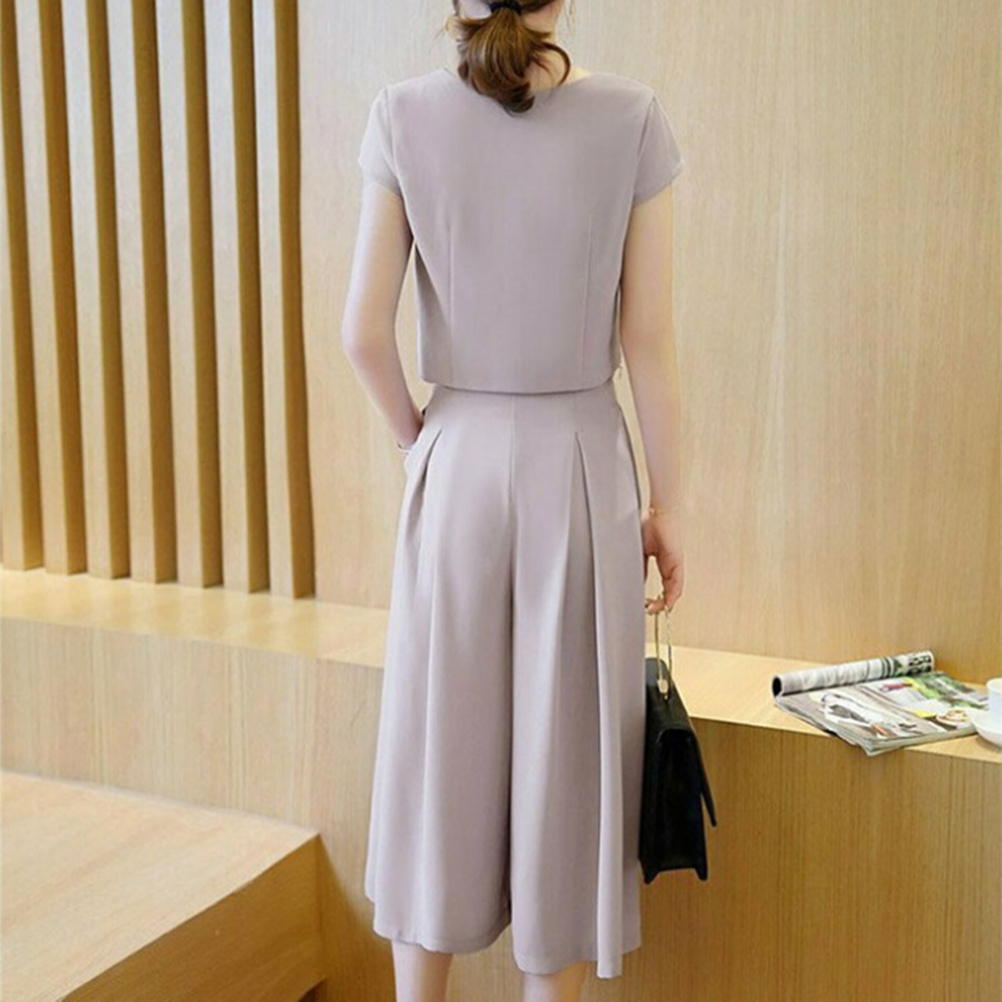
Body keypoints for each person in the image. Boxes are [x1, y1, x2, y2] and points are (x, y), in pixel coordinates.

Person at [341, 2, 686, 1000]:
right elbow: (649, 342)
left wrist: (420, 442)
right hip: (579, 467)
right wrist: (670, 507)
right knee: (564, 766)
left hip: (454, 461)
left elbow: (362, 333)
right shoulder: (632, 119)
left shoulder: (400, 114)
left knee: (438, 751)